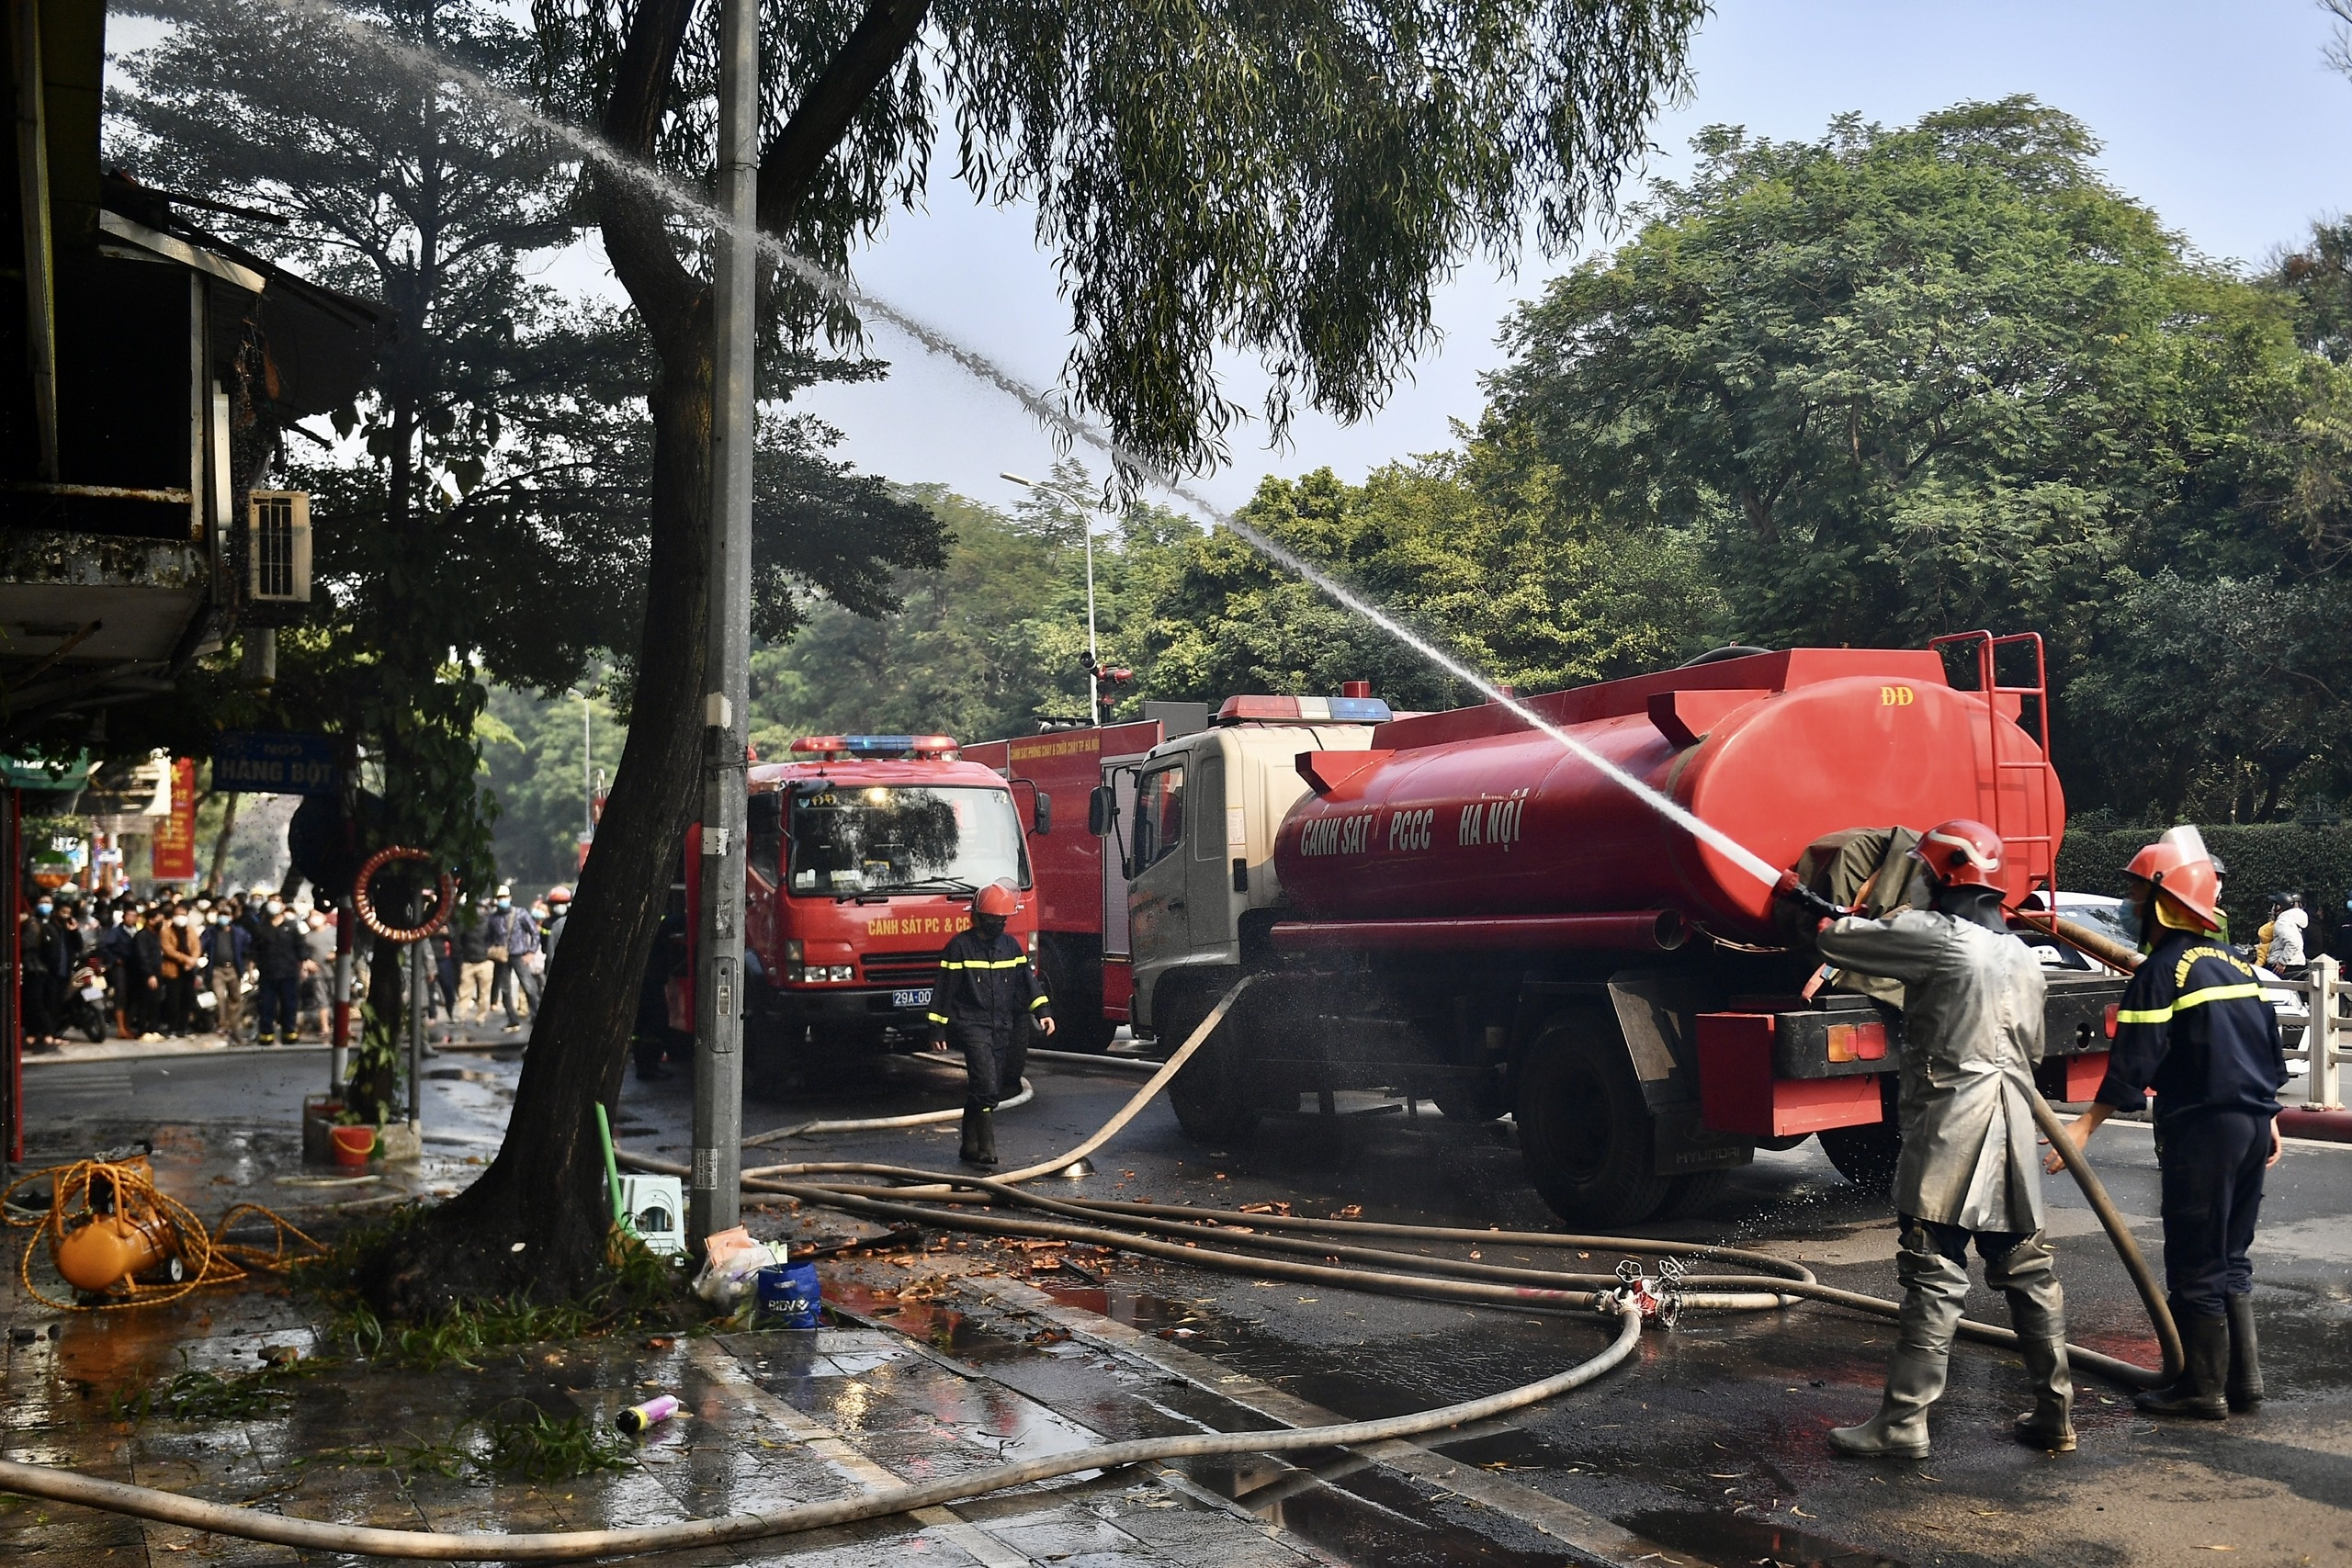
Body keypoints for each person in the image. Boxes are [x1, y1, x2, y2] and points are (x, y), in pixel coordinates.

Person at [1780, 819, 2074, 1457]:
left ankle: (1904, 1423)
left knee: (1933, 1268)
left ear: (1939, 878)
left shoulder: (1936, 936)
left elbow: (1842, 940)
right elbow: (2036, 1047)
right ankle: (2056, 1412)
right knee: (2026, 1268)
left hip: (1950, 1126)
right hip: (2015, 1127)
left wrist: (1808, 905)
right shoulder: (2026, 956)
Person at [2047, 825, 2287, 1420]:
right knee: (2231, 1254)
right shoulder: (2234, 964)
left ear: (2164, 901)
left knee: (2196, 1258)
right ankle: (2243, 1384)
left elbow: (2136, 1057)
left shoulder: (2165, 970)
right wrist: (2270, 1117)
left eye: (2135, 898)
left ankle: (2200, 1390)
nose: (2129, 909)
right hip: (2251, 1124)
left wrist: (2083, 1127)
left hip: (2203, 1128)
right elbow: (2264, 1047)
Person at [926, 882, 1056, 1167]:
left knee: (988, 1086)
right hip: (972, 1025)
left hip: (1002, 1026)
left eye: (1002, 919)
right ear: (978, 916)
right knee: (985, 1083)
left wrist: (1042, 1011)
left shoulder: (1011, 947)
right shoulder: (959, 947)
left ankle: (968, 1143)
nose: (999, 923)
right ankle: (987, 1147)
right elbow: (944, 989)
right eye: (994, 918)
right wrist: (937, 1027)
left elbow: (1027, 983)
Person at [251, 897, 308, 1044]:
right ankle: (266, 1034)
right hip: (267, 972)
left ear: (283, 906)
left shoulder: (292, 927)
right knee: (266, 1004)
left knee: (289, 1004)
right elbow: (253, 951)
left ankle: (289, 1032)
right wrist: (251, 970)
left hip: (288, 972)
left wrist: (303, 967)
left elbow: (300, 948)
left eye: (277, 901)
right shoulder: (261, 928)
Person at [205, 905, 251, 1043]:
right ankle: (222, 1025)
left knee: (235, 999)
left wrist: (246, 965)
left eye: (227, 914)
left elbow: (248, 947)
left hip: (233, 970)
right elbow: (202, 944)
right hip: (217, 970)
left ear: (231, 917)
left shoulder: (239, 933)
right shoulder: (211, 932)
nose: (223, 917)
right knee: (220, 997)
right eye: (221, 914)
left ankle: (233, 1027)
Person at [159, 906, 201, 1036]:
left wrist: (193, 960)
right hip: (173, 970)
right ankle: (172, 1028)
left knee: (187, 999)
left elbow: (197, 947)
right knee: (173, 1000)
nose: (181, 917)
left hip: (189, 971)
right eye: (178, 914)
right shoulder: (166, 931)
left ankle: (183, 1027)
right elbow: (168, 950)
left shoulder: (190, 931)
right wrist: (186, 959)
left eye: (183, 914)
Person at [2266, 892, 2307, 981]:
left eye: (2275, 905)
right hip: (2296, 962)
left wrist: (2282, 962)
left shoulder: (2282, 921)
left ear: (2280, 907)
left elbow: (2292, 943)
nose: (2273, 908)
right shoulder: (2292, 920)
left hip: (2284, 965)